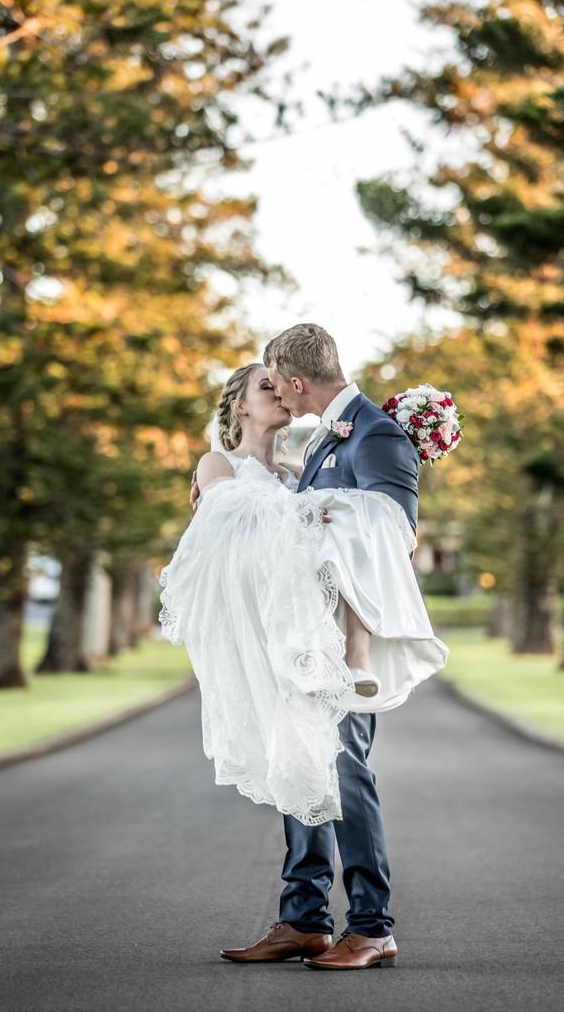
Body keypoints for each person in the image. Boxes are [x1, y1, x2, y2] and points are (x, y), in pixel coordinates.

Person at [162, 323, 449, 970]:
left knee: (345, 773)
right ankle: (304, 919)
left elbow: (390, 530)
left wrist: (316, 511)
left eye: (278, 385)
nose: (280, 400)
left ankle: (372, 927)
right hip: (283, 641)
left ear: (294, 382)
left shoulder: (344, 446)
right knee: (301, 771)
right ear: (240, 404)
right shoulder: (269, 458)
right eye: (264, 389)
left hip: (331, 647)